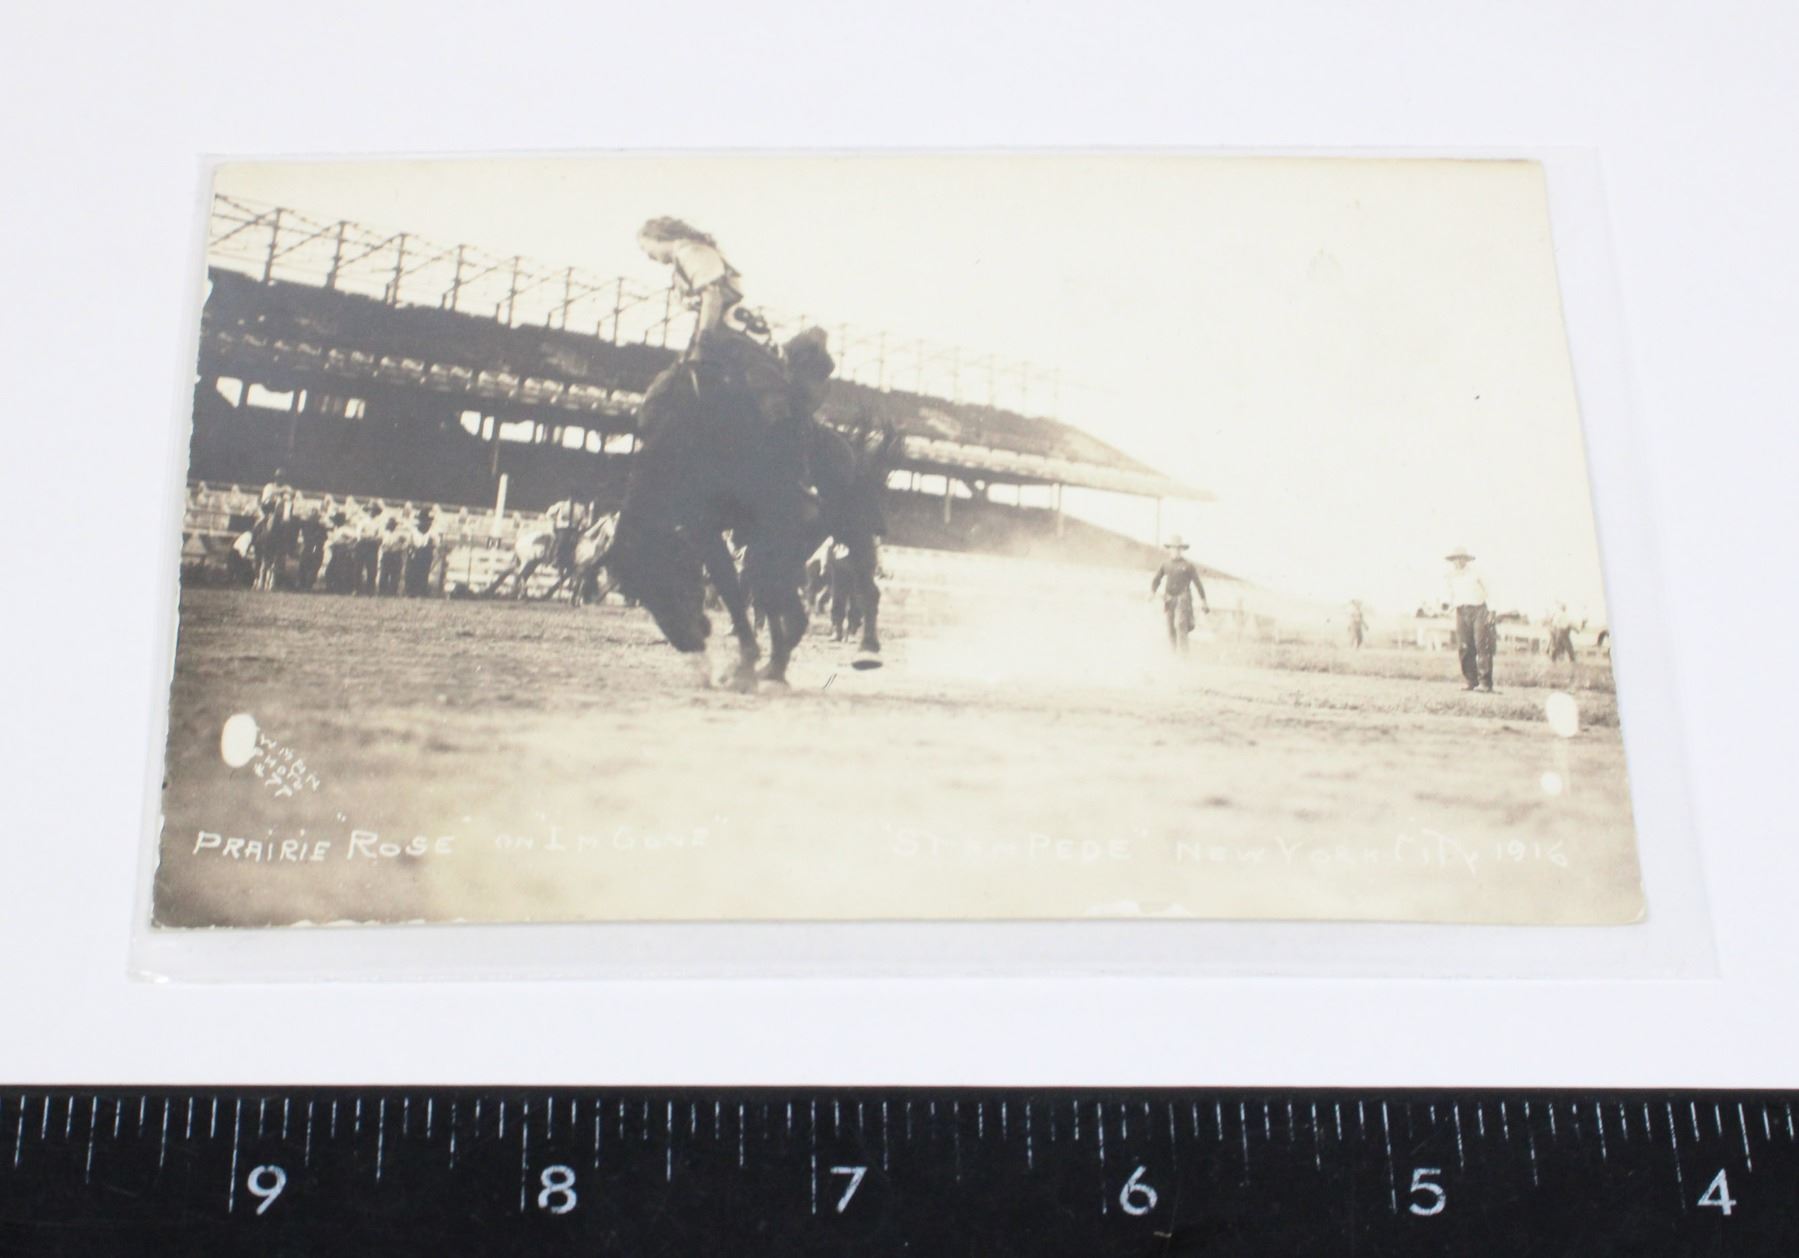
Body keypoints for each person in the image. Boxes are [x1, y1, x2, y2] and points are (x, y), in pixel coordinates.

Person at [1445, 546, 1496, 691]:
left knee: (1481, 646)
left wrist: (1492, 611)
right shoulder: (1451, 576)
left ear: (1466, 559)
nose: (1458, 562)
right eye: (1455, 559)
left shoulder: (1476, 572)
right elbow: (1450, 595)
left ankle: (1485, 683)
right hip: (1461, 611)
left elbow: (1490, 590)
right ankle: (1470, 680)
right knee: (1464, 647)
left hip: (1479, 610)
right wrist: (1448, 607)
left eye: (1461, 558)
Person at [1150, 535, 1209, 651]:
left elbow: (1198, 583)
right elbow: (1157, 579)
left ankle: (1184, 656)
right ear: (1170, 549)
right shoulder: (1166, 564)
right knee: (1170, 627)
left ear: (1181, 550)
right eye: (1173, 548)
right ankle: (1173, 654)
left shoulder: (1188, 566)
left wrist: (1203, 600)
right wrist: (1152, 591)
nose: (1176, 551)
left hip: (1183, 599)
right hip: (1169, 599)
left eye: (1178, 548)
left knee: (1180, 624)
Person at [1547, 602, 1578, 666]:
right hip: (1564, 632)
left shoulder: (1559, 615)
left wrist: (1554, 631)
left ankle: (1553, 658)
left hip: (1559, 632)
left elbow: (1555, 624)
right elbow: (1570, 624)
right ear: (1564, 608)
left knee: (1557, 646)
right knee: (1568, 646)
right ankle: (1572, 659)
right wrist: (1576, 630)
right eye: (1564, 607)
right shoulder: (1566, 615)